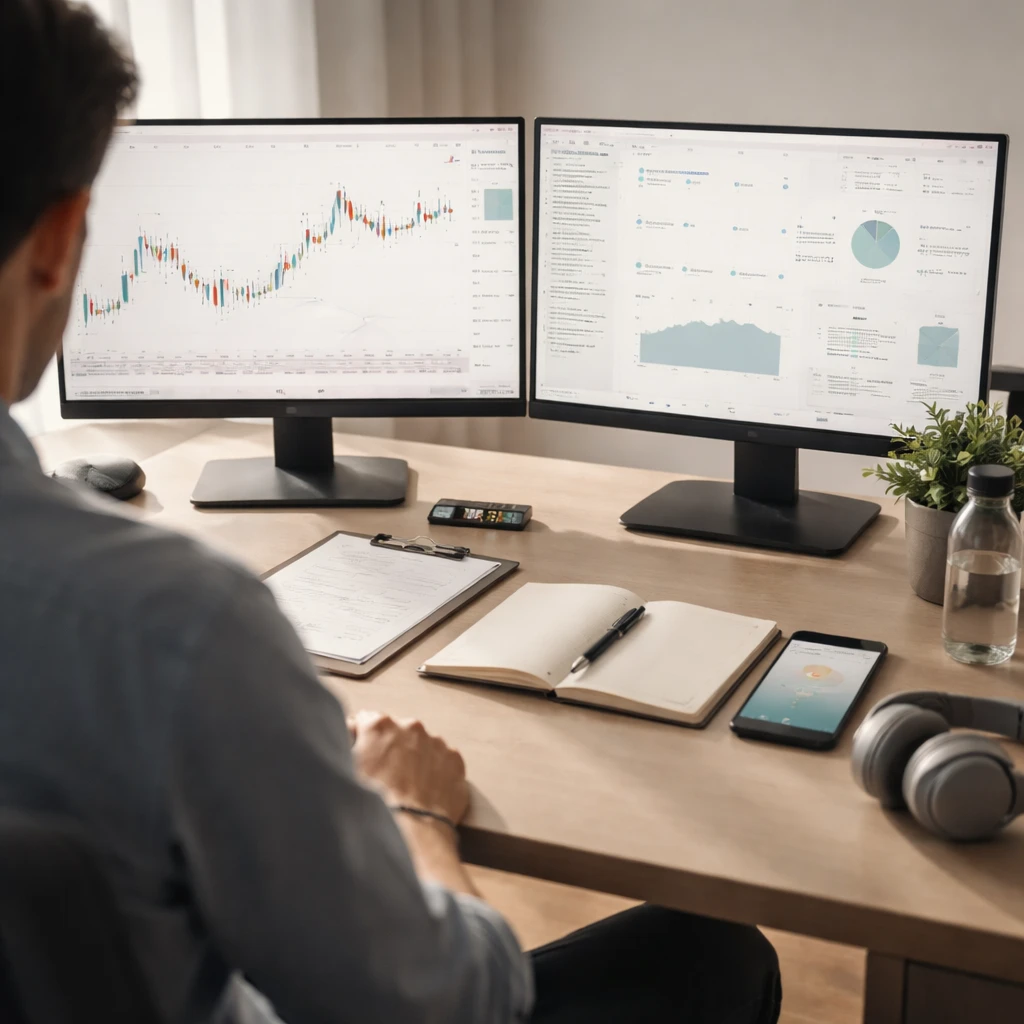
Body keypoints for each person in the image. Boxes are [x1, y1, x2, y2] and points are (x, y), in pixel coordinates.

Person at [0, 2, 782, 1022]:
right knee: (709, 958)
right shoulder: (172, 625)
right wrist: (413, 813)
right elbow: (446, 1004)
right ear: (60, 239)